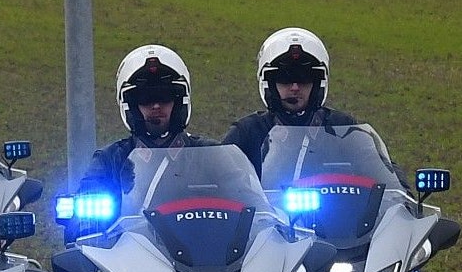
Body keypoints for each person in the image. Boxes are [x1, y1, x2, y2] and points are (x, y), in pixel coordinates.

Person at [79, 44, 216, 196]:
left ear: (179, 102)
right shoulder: (110, 160)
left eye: (165, 96)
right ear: (131, 106)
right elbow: (86, 199)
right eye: (145, 98)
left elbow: (242, 193)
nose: (156, 106)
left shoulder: (211, 154)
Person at [223, 27, 357, 173]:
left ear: (318, 83)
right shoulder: (247, 133)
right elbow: (220, 184)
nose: (294, 88)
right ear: (269, 84)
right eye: (284, 79)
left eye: (304, 78)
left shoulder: (343, 129)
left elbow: (380, 177)